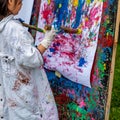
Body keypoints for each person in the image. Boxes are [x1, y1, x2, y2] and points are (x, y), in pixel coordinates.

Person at [0, 0, 59, 120]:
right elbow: (32, 59)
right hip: (24, 95)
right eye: (20, 2)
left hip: (11, 94)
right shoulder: (14, 28)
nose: (21, 6)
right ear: (10, 1)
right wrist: (47, 39)